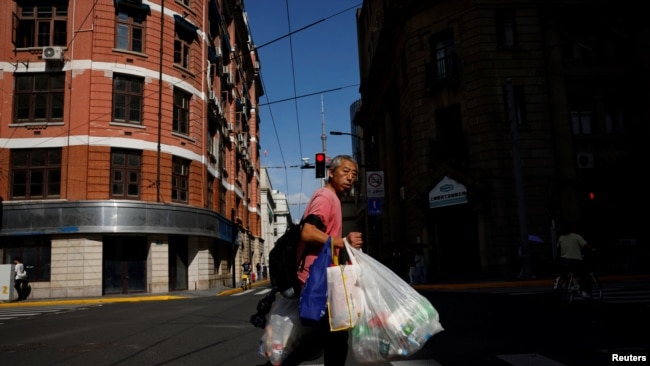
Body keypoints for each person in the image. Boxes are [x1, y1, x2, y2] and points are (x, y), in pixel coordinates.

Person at [273, 154, 364, 366]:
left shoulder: (334, 199)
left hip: (324, 278)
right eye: (345, 172)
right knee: (331, 338)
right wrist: (343, 241)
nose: (351, 177)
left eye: (354, 174)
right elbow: (308, 232)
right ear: (331, 173)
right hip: (316, 279)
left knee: (332, 338)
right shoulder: (325, 197)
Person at [556, 224, 593, 297]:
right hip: (575, 260)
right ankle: (585, 291)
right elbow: (586, 246)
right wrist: (592, 250)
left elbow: (558, 247)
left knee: (568, 273)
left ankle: (572, 284)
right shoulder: (577, 236)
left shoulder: (561, 237)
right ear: (572, 229)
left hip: (563, 261)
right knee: (585, 275)